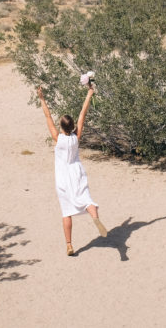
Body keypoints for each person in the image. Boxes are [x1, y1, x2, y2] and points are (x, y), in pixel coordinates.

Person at [38, 83, 108, 256]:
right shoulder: (76, 137)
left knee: (66, 211)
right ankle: (94, 217)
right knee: (86, 199)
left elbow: (47, 117)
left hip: (63, 176)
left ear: (61, 127)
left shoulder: (57, 138)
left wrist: (42, 98)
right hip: (77, 172)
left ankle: (69, 245)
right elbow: (83, 113)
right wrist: (90, 93)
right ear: (72, 127)